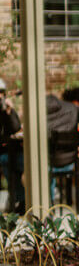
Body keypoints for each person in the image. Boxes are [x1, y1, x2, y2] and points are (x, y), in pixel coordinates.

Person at [0, 79, 24, 213]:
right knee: (7, 160)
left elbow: (15, 128)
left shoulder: (5, 110)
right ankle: (19, 198)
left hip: (10, 151)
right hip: (4, 153)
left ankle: (20, 199)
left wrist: (10, 111)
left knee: (18, 161)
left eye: (1, 94)